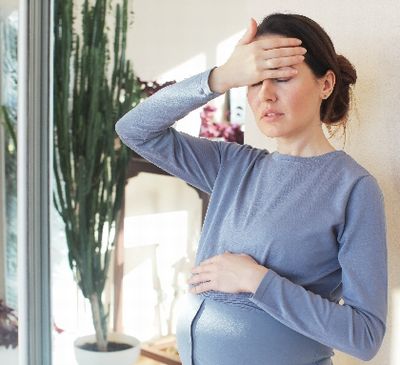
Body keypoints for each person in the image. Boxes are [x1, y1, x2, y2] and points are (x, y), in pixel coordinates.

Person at [115, 13, 387, 365]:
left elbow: (365, 336)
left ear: (326, 84)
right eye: (255, 81)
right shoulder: (233, 165)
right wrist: (222, 76)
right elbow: (134, 130)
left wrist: (257, 280)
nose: (266, 96)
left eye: (282, 78)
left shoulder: (354, 190)